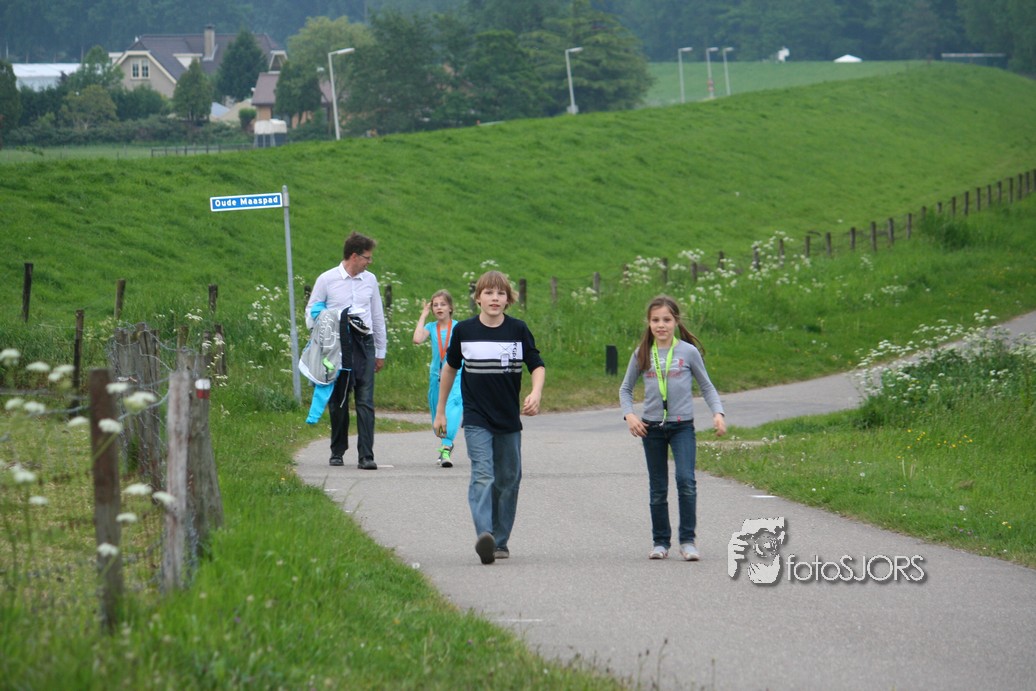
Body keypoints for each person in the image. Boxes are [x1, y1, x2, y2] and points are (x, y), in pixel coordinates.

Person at [433, 271, 545, 565]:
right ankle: (485, 534)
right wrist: (441, 411)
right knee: (483, 474)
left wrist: (536, 393)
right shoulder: (465, 331)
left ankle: (499, 540)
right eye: (489, 293)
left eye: (500, 293)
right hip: (476, 417)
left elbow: (536, 364)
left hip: (508, 418)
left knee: (508, 479)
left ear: (508, 299)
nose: (495, 298)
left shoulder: (518, 330)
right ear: (478, 298)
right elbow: (449, 369)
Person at [619, 295, 726, 562]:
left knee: (686, 481)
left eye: (666, 320)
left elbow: (707, 386)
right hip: (651, 429)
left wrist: (718, 413)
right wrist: (629, 415)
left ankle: (688, 542)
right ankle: (660, 542)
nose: (661, 325)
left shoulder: (688, 352)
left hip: (682, 427)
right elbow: (625, 389)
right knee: (658, 487)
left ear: (676, 321)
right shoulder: (642, 352)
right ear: (649, 323)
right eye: (655, 320)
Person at [306, 232, 387, 470]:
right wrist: (324, 323)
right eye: (367, 257)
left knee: (365, 400)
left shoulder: (370, 280)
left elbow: (377, 316)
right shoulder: (327, 279)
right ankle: (337, 450)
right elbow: (311, 312)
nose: (369, 262)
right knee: (339, 399)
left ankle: (366, 456)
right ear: (354, 256)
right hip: (337, 345)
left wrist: (380, 351)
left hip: (365, 343)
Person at [412, 290, 463, 468]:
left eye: (443, 304)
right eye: (435, 305)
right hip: (436, 376)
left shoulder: (458, 327)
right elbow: (417, 339)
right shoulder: (431, 327)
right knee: (438, 421)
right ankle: (445, 441)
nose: (439, 308)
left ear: (450, 308)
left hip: (456, 375)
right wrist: (423, 315)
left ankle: (446, 447)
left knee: (452, 407)